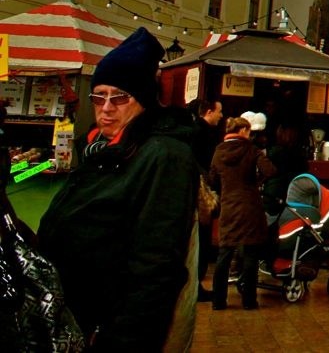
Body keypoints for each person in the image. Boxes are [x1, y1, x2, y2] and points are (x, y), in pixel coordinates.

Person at [38, 27, 201, 351]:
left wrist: (118, 341)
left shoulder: (164, 155)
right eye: (99, 96)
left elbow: (155, 268)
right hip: (72, 323)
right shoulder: (99, 148)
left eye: (120, 97)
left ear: (143, 100)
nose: (107, 107)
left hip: (107, 332)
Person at [209, 116, 277, 310]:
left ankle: (218, 301)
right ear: (242, 131)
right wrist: (256, 181)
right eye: (248, 131)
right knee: (250, 254)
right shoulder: (251, 150)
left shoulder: (218, 151)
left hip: (228, 206)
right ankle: (249, 300)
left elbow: (212, 179)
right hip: (250, 206)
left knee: (224, 253)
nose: (250, 135)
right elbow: (270, 170)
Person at [189, 98, 223, 302]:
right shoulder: (203, 134)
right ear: (209, 111)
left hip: (201, 192)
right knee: (201, 240)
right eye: (219, 111)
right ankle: (197, 286)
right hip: (203, 194)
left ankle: (196, 285)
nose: (221, 115)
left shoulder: (196, 131)